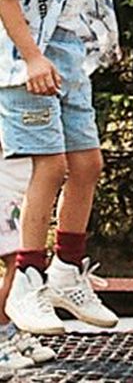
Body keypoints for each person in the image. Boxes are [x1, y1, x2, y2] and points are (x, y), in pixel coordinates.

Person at [0, 0, 120, 336]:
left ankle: (67, 270)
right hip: (27, 61)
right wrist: (31, 57)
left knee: (88, 163)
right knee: (48, 166)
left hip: (67, 54)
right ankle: (28, 279)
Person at [0, 151, 55, 375]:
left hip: (24, 191)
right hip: (5, 192)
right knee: (18, 261)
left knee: (22, 263)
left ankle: (9, 329)